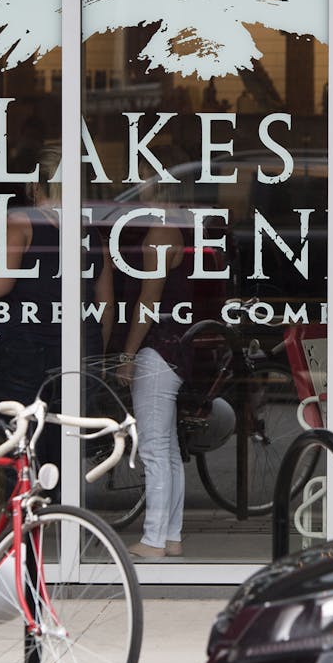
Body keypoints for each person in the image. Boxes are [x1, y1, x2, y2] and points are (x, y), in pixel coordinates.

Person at [0, 146, 114, 469]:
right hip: (80, 350)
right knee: (65, 451)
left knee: (21, 448)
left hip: (26, 351)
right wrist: (98, 355)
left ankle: (29, 518)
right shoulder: (91, 233)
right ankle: (61, 515)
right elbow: (105, 304)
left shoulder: (20, 223)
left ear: (34, 187)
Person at [114, 183, 196, 561]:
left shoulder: (160, 232)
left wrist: (128, 353)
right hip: (179, 346)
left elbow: (149, 298)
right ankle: (172, 535)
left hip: (158, 347)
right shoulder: (179, 227)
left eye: (142, 178)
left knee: (153, 448)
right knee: (170, 449)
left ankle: (153, 539)